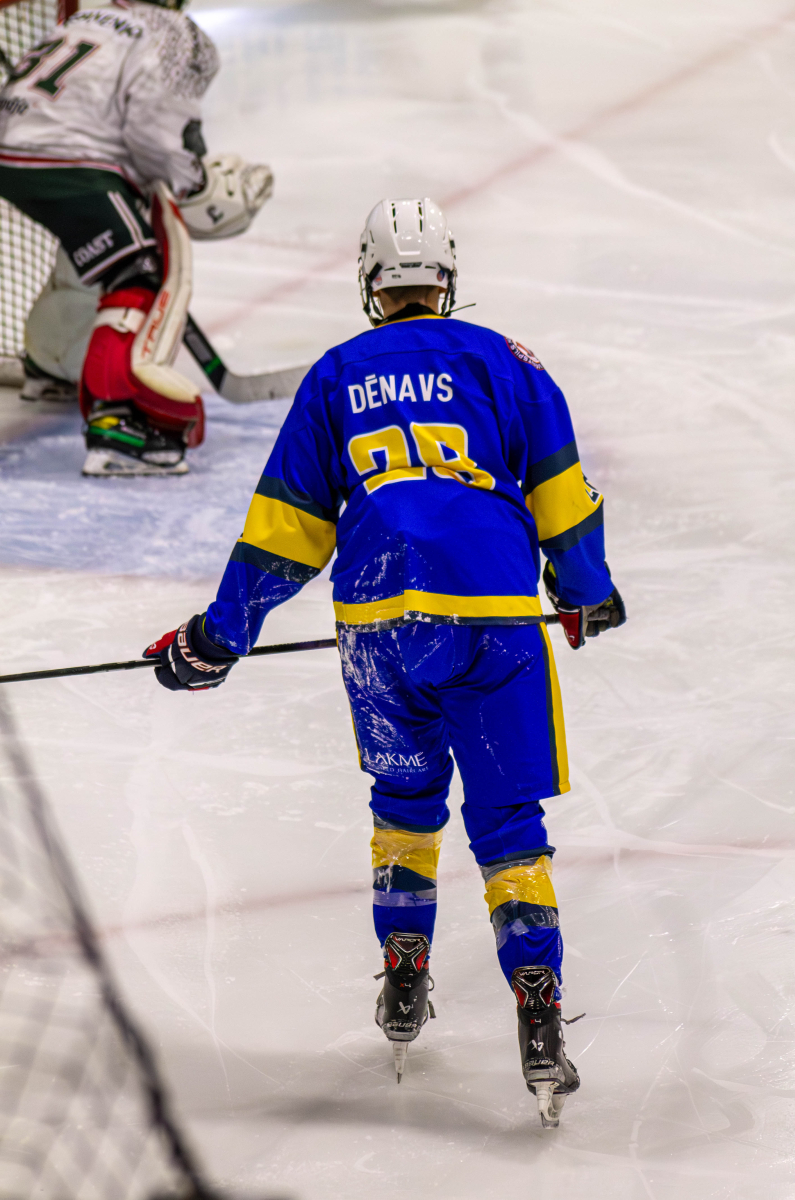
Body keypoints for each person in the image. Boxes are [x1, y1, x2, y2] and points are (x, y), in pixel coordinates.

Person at [143, 197, 626, 1126]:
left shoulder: (336, 373)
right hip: (492, 619)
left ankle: (405, 974)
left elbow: (284, 531)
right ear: (448, 277)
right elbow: (562, 493)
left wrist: (218, 637)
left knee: (404, 806)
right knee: (508, 826)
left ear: (371, 282)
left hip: (377, 626)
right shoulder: (507, 362)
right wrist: (583, 589)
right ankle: (538, 1014)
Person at [0, 0, 272, 475]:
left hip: (12, 145)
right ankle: (118, 425)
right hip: (68, 158)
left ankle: (52, 365)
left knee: (107, 242)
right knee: (139, 270)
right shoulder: (177, 32)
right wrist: (194, 185)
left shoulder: (87, 17)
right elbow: (156, 128)